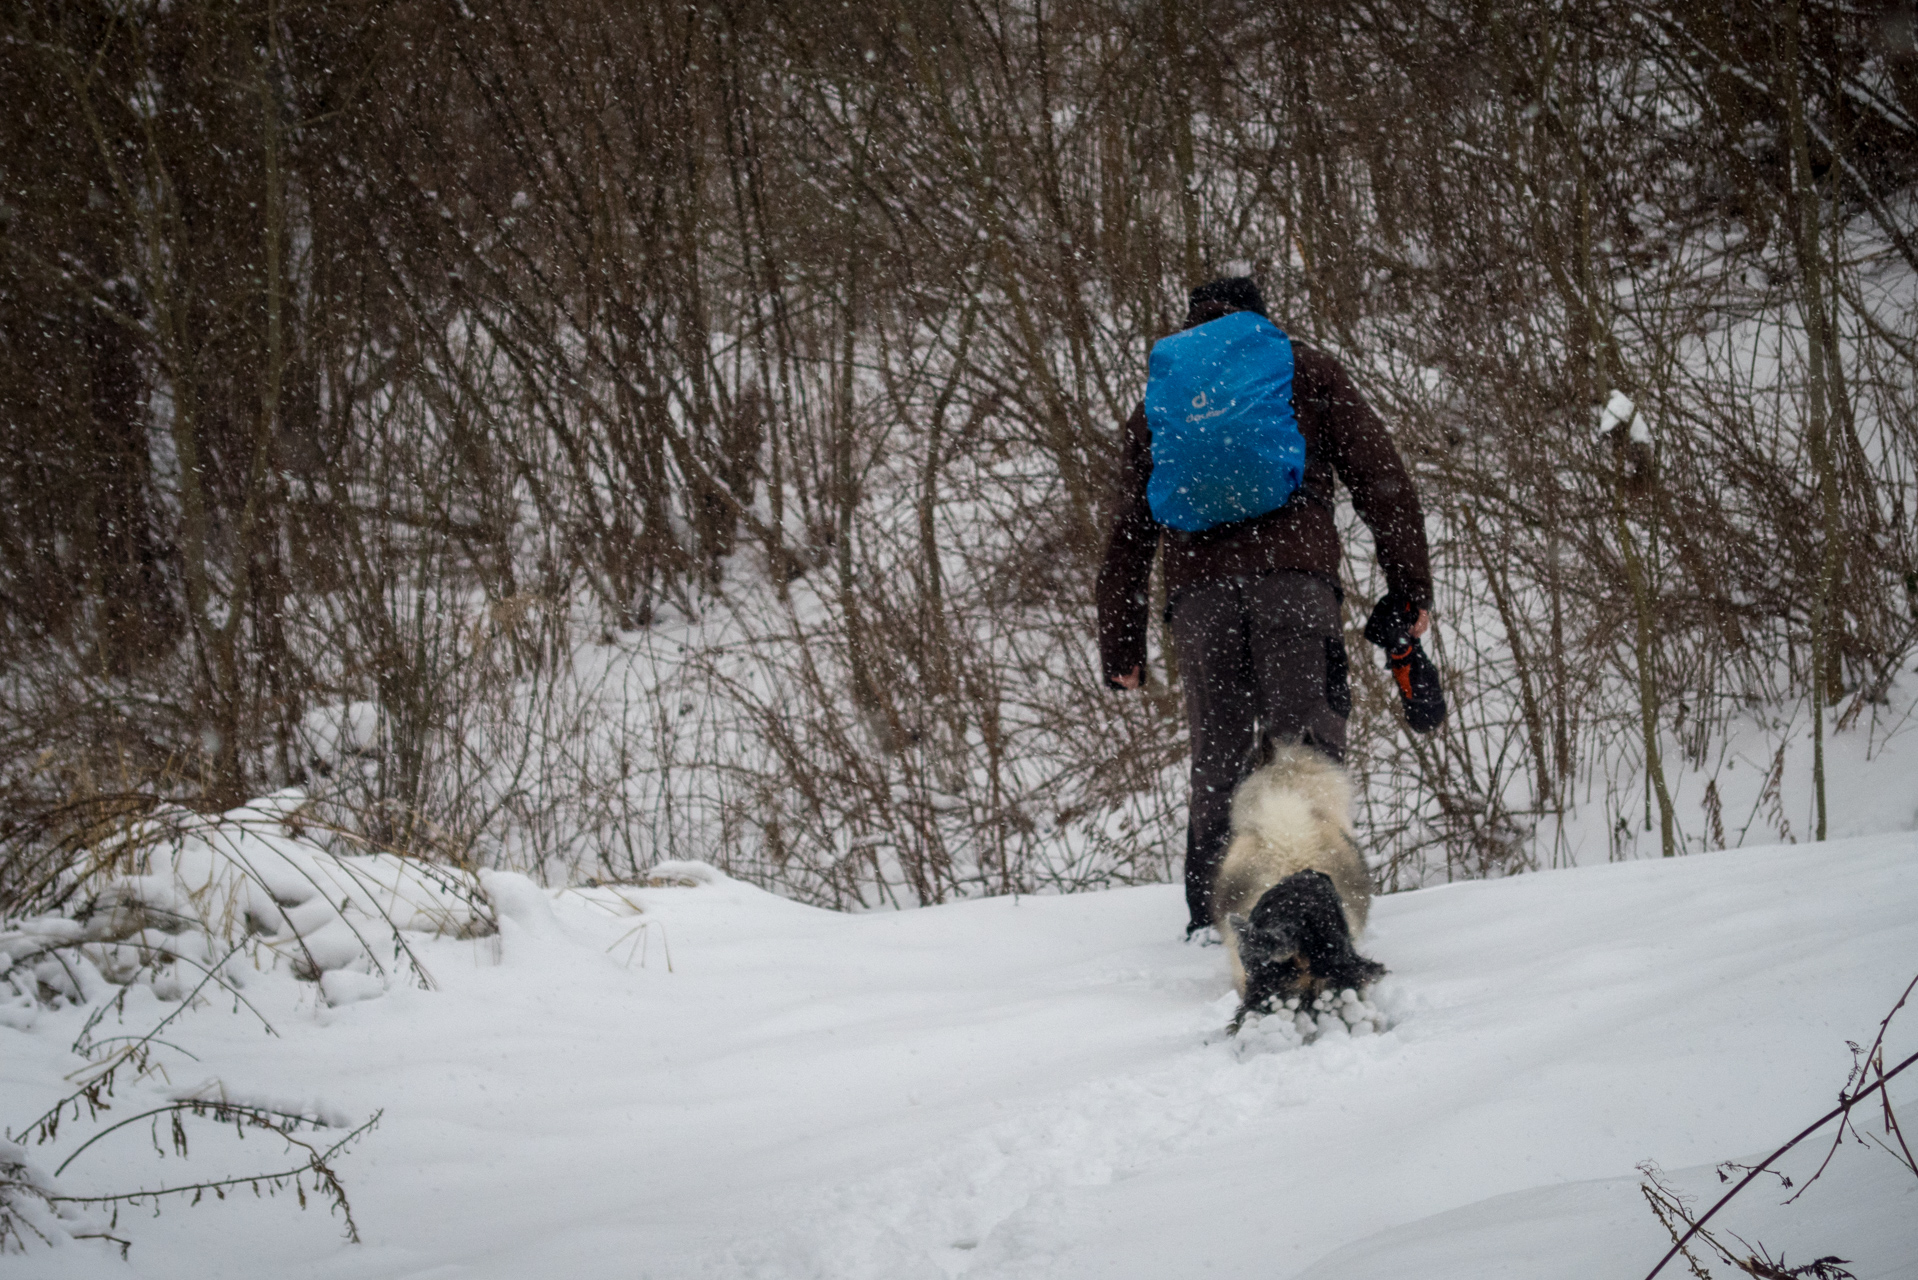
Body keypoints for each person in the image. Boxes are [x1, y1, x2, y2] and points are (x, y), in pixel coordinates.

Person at [1096, 276, 1433, 938]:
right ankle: (1317, 904)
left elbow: (1126, 534)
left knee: (1218, 755)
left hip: (1200, 600)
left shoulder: (1162, 400)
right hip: (1294, 584)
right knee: (1303, 743)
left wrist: (1121, 646)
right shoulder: (1302, 368)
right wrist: (1409, 585)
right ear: (1259, 319)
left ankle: (1213, 921)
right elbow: (1381, 477)